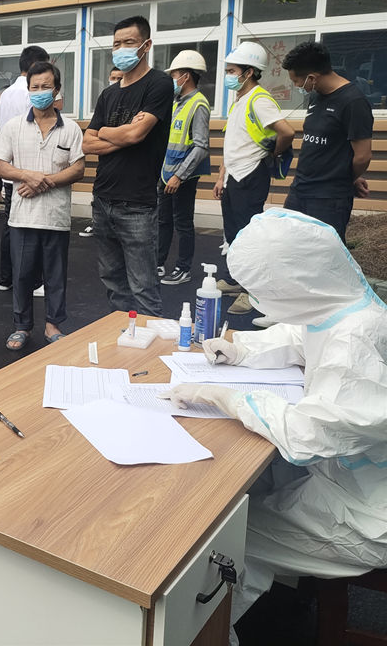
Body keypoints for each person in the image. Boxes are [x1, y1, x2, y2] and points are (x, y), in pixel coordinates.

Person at [160, 209, 387, 643]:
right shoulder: (345, 305)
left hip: (367, 513)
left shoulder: (354, 340)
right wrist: (241, 349)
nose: (259, 298)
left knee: (221, 541)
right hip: (349, 478)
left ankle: (206, 633)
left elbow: (308, 436)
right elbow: (301, 335)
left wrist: (229, 398)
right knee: (244, 490)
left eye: (264, 288)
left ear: (296, 282)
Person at [82, 16, 173, 317]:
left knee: (143, 286)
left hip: (137, 204)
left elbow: (135, 135)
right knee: (113, 282)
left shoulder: (159, 84)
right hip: (103, 199)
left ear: (146, 45)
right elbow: (87, 144)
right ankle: (123, 333)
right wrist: (123, 134)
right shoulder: (108, 94)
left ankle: (152, 342)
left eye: (129, 42)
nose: (121, 49)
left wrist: (108, 132)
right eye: (116, 44)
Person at [0, 61, 85, 351]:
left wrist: (44, 182)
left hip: (56, 217)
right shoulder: (14, 126)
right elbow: (0, 166)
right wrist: (27, 176)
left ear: (56, 90)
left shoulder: (70, 128)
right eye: (35, 87)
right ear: (28, 90)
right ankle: (22, 326)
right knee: (21, 275)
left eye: (46, 86)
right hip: (22, 217)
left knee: (55, 276)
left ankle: (53, 325)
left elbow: (78, 168)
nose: (40, 91)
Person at [214, 41, 295, 316]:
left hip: (250, 174)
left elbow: (287, 132)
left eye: (232, 71)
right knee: (233, 234)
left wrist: (273, 153)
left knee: (249, 236)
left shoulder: (259, 100)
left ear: (249, 72)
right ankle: (236, 279)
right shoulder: (240, 99)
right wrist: (221, 176)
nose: (228, 75)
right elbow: (234, 143)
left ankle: (253, 292)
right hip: (234, 175)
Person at [281, 40, 373, 241]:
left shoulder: (353, 102)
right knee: (290, 247)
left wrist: (346, 177)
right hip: (299, 189)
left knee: (323, 253)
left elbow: (363, 156)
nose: (296, 86)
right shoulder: (316, 96)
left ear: (312, 78)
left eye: (297, 81)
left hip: (328, 199)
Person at [0, 46, 49, 293]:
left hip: (10, 169)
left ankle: (5, 278)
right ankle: (34, 282)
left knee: (11, 227)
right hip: (30, 171)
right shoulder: (31, 94)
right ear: (36, 66)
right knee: (33, 229)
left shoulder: (6, 93)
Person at [157, 50, 211, 286]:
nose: (172, 79)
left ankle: (183, 268)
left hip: (183, 177)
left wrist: (179, 176)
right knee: (163, 221)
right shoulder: (176, 102)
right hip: (166, 172)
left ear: (186, 76)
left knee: (183, 223)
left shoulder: (199, 104)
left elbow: (201, 146)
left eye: (174, 74)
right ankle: (158, 262)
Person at [80, 68, 125, 239]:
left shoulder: (136, 103)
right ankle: (95, 223)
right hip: (105, 173)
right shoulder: (105, 99)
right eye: (113, 77)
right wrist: (125, 140)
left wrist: (104, 133)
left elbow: (136, 135)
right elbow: (87, 144)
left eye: (119, 78)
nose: (115, 81)